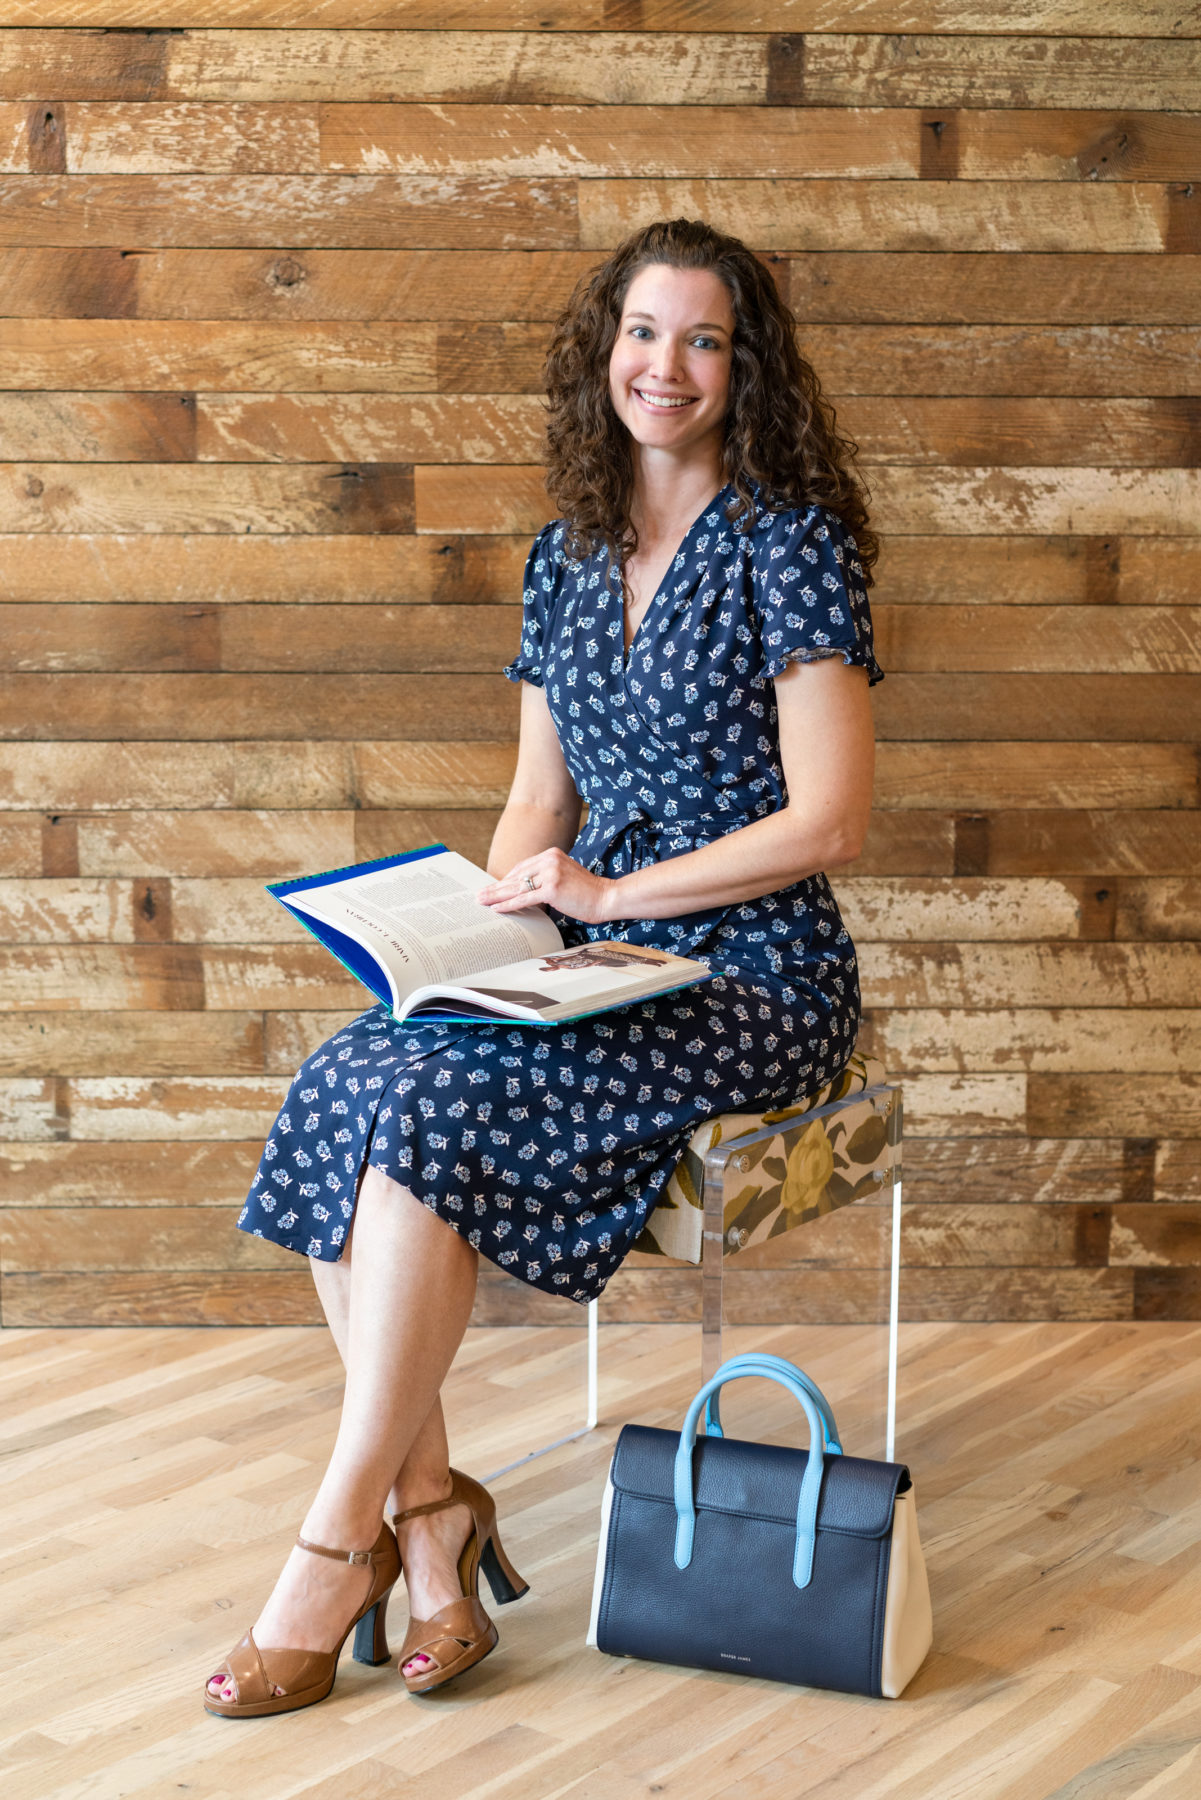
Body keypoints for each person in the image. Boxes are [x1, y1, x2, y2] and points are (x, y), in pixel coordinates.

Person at [204, 215, 883, 1717]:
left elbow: (829, 820)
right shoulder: (563, 557)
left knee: (426, 1115)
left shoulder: (789, 544)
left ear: (743, 368)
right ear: (604, 355)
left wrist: (611, 893)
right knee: (354, 1077)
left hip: (747, 975)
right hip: (589, 949)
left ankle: (336, 1545)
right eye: (643, 333)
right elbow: (537, 803)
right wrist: (485, 925)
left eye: (703, 338)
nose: (667, 365)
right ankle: (435, 1530)